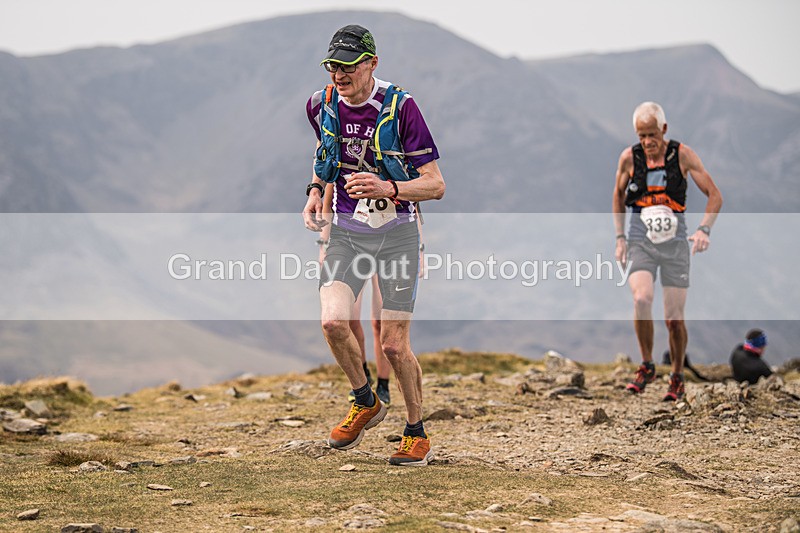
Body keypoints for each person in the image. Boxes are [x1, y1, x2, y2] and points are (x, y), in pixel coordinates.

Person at [302, 24, 445, 466]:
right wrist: (313, 191)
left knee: (394, 346)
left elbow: (436, 185)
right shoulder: (321, 104)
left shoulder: (402, 108)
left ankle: (416, 431)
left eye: (346, 66)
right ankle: (366, 399)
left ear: (372, 64)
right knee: (332, 322)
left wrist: (389, 186)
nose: (338, 75)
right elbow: (325, 154)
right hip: (346, 232)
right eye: (332, 66)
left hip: (398, 235)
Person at [613, 101, 722, 401]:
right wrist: (620, 237)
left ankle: (676, 375)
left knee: (674, 319)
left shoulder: (682, 155)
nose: (647, 142)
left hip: (675, 244)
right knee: (641, 297)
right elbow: (618, 196)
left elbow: (715, 195)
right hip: (640, 241)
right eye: (640, 135)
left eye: (651, 134)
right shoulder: (629, 158)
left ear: (663, 129)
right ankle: (647, 364)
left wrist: (704, 229)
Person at [317, 185, 393, 407]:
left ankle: (384, 384)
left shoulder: (391, 156)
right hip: (352, 245)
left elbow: (412, 206)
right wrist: (323, 245)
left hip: (387, 246)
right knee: (349, 319)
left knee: (381, 321)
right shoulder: (343, 154)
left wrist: (419, 250)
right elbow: (329, 199)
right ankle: (363, 377)